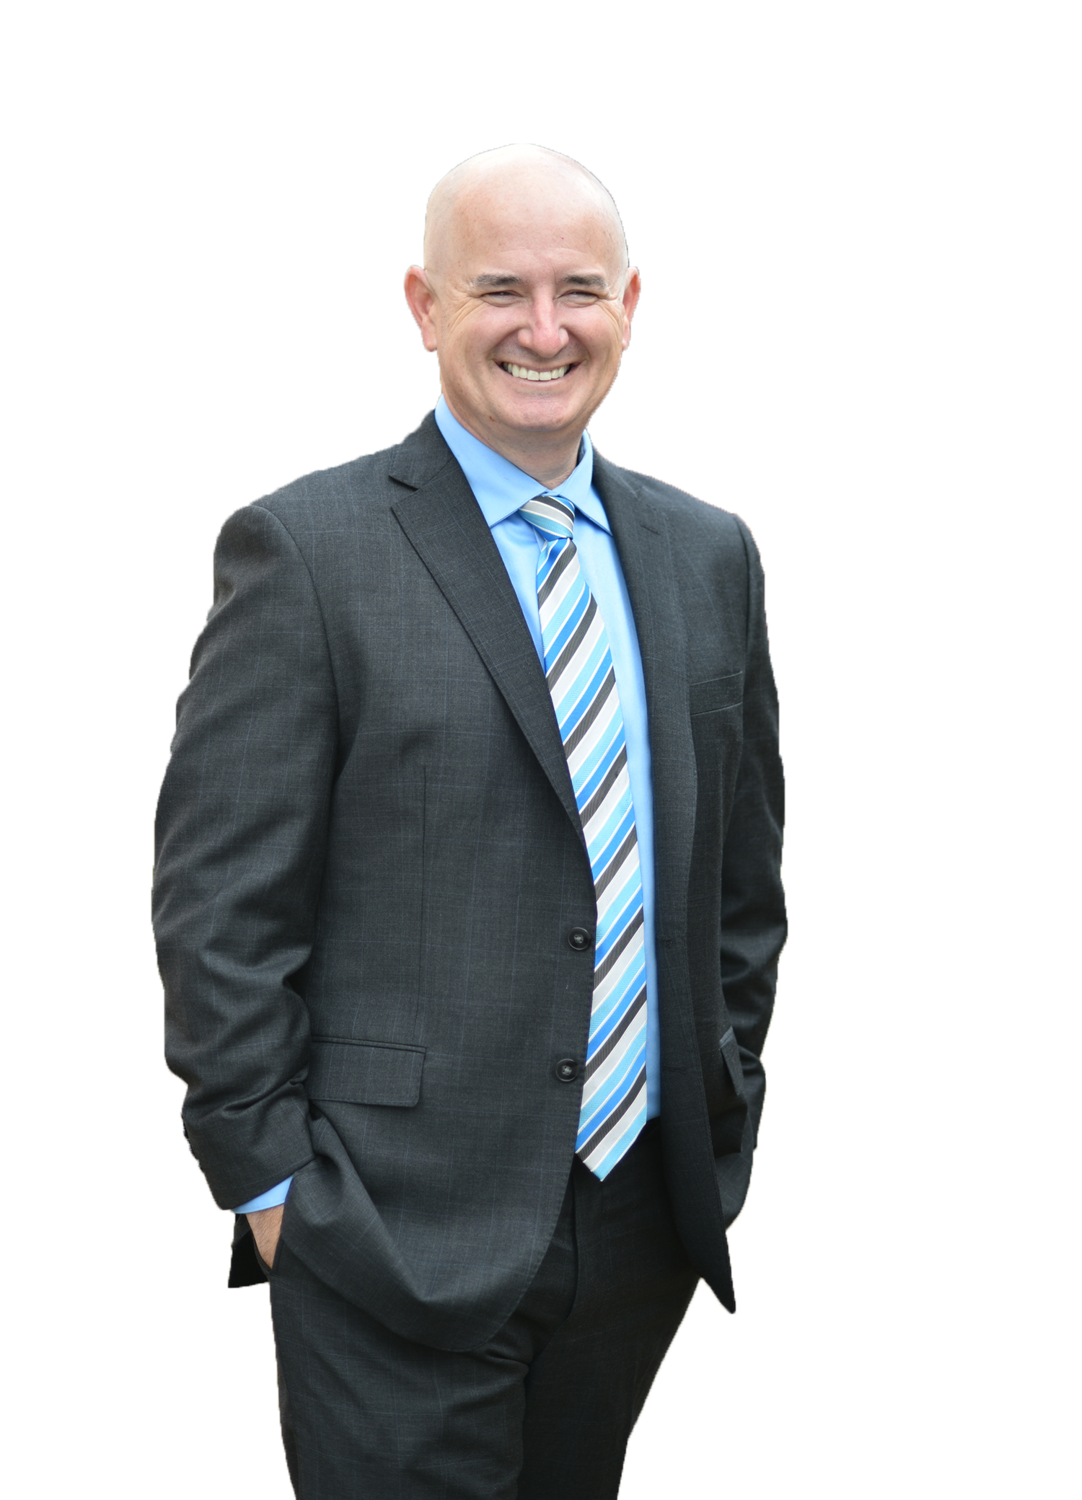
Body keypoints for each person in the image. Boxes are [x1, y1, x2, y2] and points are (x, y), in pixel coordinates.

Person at [153, 141, 786, 1499]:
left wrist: (720, 1112)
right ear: (423, 304)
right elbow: (218, 912)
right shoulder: (305, 549)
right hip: (382, 1228)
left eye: (578, 291)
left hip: (637, 1227)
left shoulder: (707, 556)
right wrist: (272, 1190)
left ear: (629, 304)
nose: (543, 330)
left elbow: (741, 887)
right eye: (499, 289)